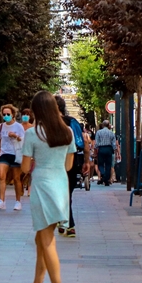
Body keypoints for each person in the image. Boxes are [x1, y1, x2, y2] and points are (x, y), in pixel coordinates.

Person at [15, 91, 76, 283]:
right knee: (41, 239)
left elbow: (23, 167)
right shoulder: (67, 132)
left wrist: (33, 165)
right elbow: (68, 166)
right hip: (60, 185)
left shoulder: (33, 134)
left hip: (41, 185)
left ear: (36, 111)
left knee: (47, 240)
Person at [56, 95, 86, 238]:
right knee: (67, 193)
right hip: (74, 161)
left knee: (62, 194)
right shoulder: (73, 122)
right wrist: (86, 161)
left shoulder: (50, 125)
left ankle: (67, 223)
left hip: (56, 162)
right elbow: (83, 144)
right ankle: (65, 222)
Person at [0, 104, 26, 211]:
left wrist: (15, 136)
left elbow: (23, 140)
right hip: (4, 153)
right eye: (4, 114)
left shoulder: (19, 127)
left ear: (13, 114)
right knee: (2, 176)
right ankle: (1, 201)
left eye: (8, 114)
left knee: (16, 178)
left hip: (16, 154)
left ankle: (18, 201)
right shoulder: (1, 126)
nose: (6, 116)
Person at [94, 120, 117, 186]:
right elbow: (114, 143)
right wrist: (114, 150)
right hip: (109, 149)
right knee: (108, 165)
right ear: (108, 125)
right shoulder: (111, 133)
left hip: (101, 149)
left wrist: (95, 150)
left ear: (103, 125)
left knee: (100, 164)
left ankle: (103, 174)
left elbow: (96, 143)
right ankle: (106, 180)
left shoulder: (99, 132)